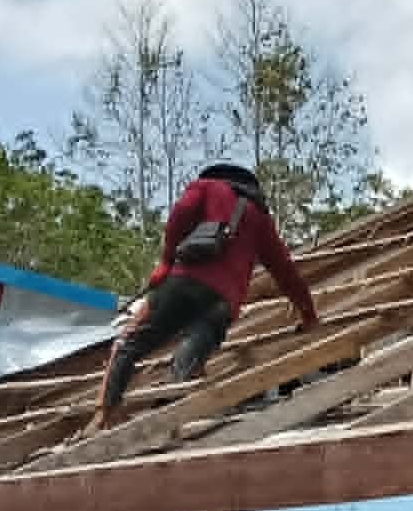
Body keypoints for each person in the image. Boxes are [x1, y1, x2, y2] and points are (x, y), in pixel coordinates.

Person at [88, 163, 319, 432]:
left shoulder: (207, 187)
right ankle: (173, 414)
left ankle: (105, 415)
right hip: (223, 303)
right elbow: (285, 270)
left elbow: (180, 214)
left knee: (129, 344)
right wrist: (308, 314)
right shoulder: (260, 218)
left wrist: (166, 261)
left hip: (183, 284)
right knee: (189, 364)